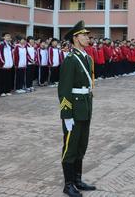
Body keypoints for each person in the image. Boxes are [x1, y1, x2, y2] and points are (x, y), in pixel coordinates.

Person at [58, 20, 96, 197]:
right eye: (83, 35)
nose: (87, 37)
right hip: (73, 110)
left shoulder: (86, 58)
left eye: (87, 35)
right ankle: (68, 184)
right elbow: (64, 89)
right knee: (70, 147)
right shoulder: (71, 59)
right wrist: (66, 114)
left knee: (81, 146)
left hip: (85, 108)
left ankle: (78, 179)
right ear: (75, 38)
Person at [0, 32, 14, 97]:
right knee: (2, 79)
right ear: (3, 37)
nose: (8, 37)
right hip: (3, 65)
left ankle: (7, 90)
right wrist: (2, 62)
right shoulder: (1, 44)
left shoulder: (10, 44)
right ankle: (1, 91)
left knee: (8, 79)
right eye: (7, 36)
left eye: (9, 36)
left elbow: (13, 51)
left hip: (9, 65)